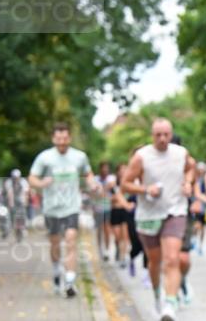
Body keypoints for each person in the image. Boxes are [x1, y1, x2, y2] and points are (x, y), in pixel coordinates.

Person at [121, 118, 195, 321]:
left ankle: (170, 305)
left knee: (172, 259)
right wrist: (146, 190)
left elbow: (191, 169)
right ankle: (157, 297)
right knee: (155, 261)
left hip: (175, 211)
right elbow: (125, 184)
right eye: (158, 135)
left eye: (166, 135)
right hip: (148, 216)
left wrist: (188, 183)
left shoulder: (180, 153)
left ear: (171, 134)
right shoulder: (141, 157)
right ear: (152, 136)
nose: (162, 139)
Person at [28, 123, 98, 297]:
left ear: (70, 138)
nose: (62, 142)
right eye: (58, 139)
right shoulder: (45, 157)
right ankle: (56, 271)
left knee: (71, 240)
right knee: (55, 243)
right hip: (51, 208)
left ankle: (70, 281)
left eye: (65, 138)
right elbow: (32, 178)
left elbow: (88, 173)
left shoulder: (79, 157)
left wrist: (91, 183)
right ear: (53, 139)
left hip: (71, 206)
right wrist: (41, 183)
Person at [172, 134, 196, 306]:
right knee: (171, 257)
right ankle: (170, 294)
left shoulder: (189, 164)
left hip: (185, 213)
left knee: (184, 259)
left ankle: (183, 280)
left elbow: (194, 185)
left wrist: (194, 200)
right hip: (165, 214)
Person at [109, 163, 133, 268]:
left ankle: (123, 257)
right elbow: (111, 199)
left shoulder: (129, 183)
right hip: (115, 212)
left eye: (125, 169)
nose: (123, 171)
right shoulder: (113, 184)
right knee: (118, 236)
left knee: (125, 236)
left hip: (125, 212)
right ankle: (118, 248)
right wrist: (119, 197)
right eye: (121, 169)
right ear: (117, 172)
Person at [93, 162, 114, 260]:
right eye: (103, 168)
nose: (105, 170)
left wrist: (102, 189)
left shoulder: (111, 178)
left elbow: (112, 189)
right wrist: (104, 189)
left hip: (108, 207)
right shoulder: (95, 179)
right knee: (99, 229)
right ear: (100, 169)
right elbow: (95, 193)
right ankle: (99, 249)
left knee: (107, 228)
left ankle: (106, 250)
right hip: (97, 208)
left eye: (107, 168)